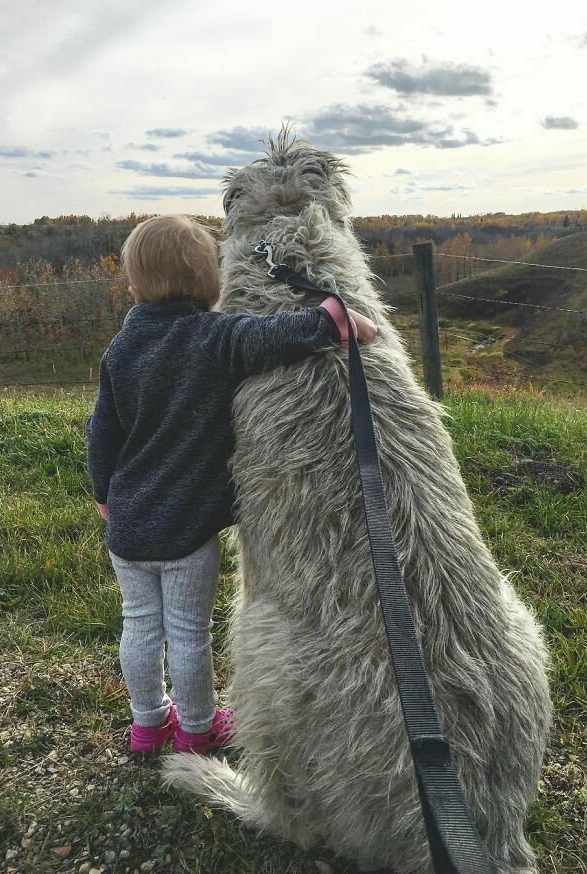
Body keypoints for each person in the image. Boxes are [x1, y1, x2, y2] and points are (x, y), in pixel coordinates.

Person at [86, 214, 376, 755]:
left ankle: (147, 726)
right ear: (212, 285)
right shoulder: (215, 338)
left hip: (128, 527)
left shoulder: (120, 351)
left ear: (133, 288)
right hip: (187, 532)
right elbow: (272, 335)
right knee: (189, 633)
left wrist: (105, 494)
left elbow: (102, 433)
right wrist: (336, 320)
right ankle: (197, 729)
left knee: (140, 627)